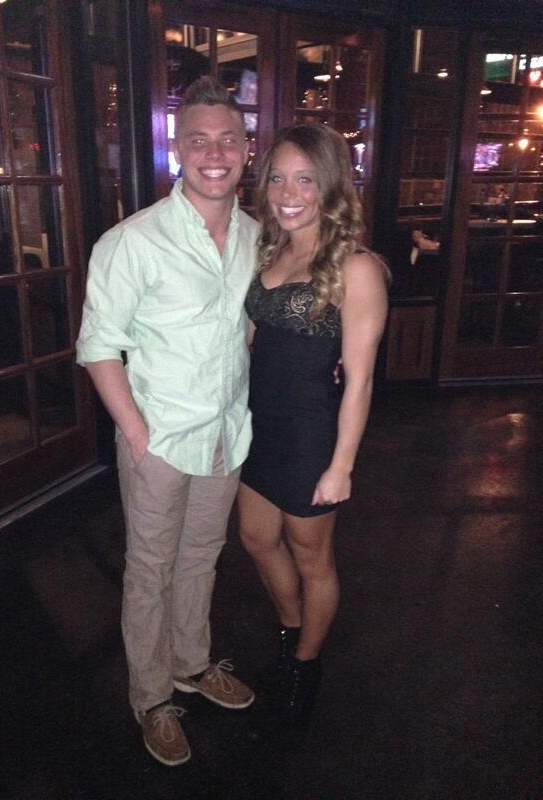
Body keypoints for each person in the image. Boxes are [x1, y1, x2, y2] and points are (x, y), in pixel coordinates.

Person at [76, 77, 258, 767]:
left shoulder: (255, 236)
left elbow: (247, 329)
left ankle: (192, 663)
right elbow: (99, 345)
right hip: (158, 438)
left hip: (224, 435)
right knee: (149, 570)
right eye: (199, 140)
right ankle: (152, 698)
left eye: (228, 140)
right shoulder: (133, 241)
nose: (215, 153)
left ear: (246, 149)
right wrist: (137, 433)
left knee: (202, 557)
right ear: (177, 149)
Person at [237, 123, 389, 726]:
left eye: (304, 179)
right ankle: (291, 629)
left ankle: (305, 665)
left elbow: (360, 380)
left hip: (309, 435)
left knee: (312, 559)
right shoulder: (269, 251)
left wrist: (341, 466)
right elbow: (254, 342)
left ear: (330, 186)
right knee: (255, 538)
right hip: (259, 427)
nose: (287, 192)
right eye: (277, 178)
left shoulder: (357, 267)